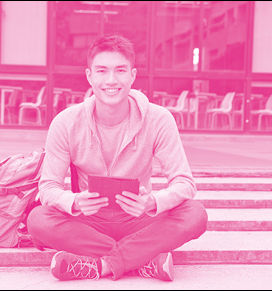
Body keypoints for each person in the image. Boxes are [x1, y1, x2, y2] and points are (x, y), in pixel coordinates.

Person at [27, 34, 208, 281]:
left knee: (195, 214)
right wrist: (74, 201)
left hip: (139, 218)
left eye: (120, 70)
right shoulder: (66, 123)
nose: (111, 80)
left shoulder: (158, 119)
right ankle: (142, 261)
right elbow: (48, 186)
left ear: (132, 75)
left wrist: (153, 202)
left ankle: (100, 266)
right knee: (38, 220)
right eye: (102, 71)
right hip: (89, 221)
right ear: (89, 76)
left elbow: (185, 183)